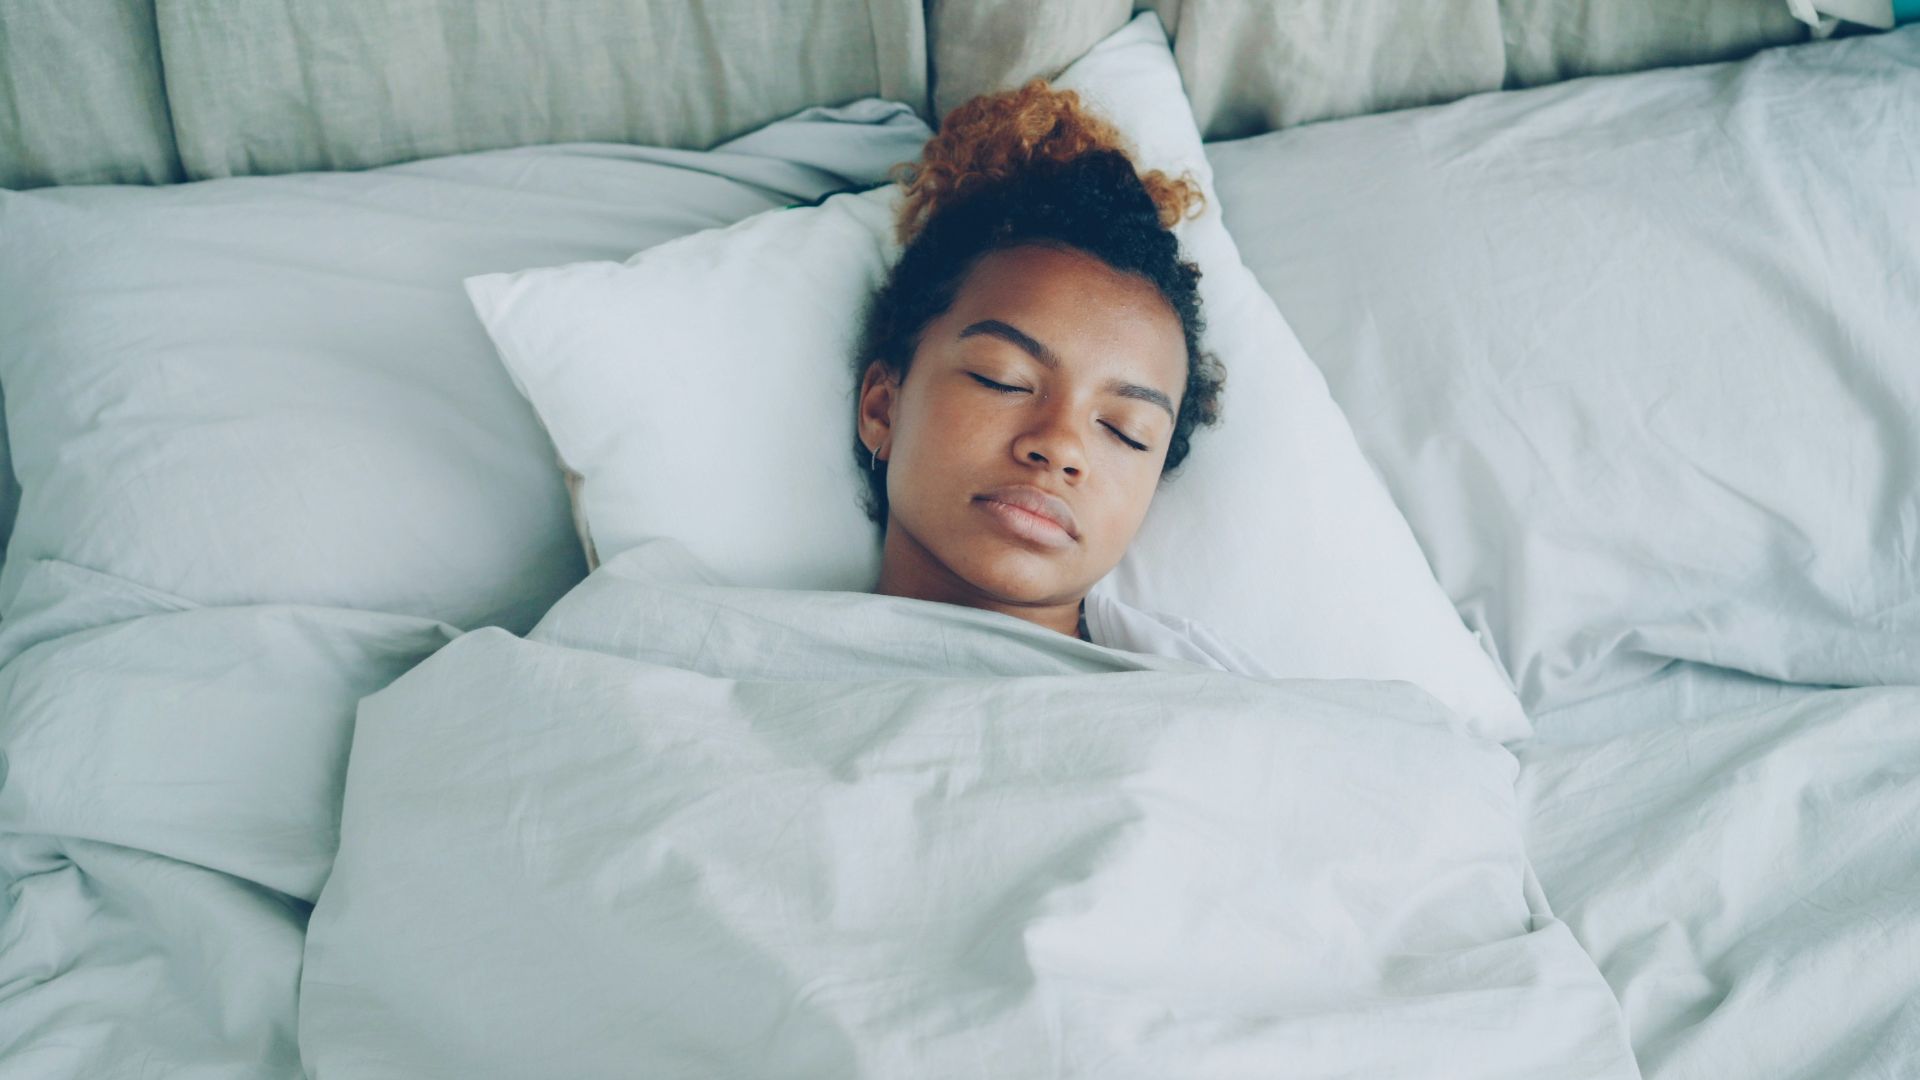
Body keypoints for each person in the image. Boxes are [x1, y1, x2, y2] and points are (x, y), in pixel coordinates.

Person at [851, 79, 1270, 678]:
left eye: (1125, 432)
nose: (1061, 445)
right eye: (1005, 380)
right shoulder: (709, 662)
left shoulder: (1224, 707)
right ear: (883, 409)